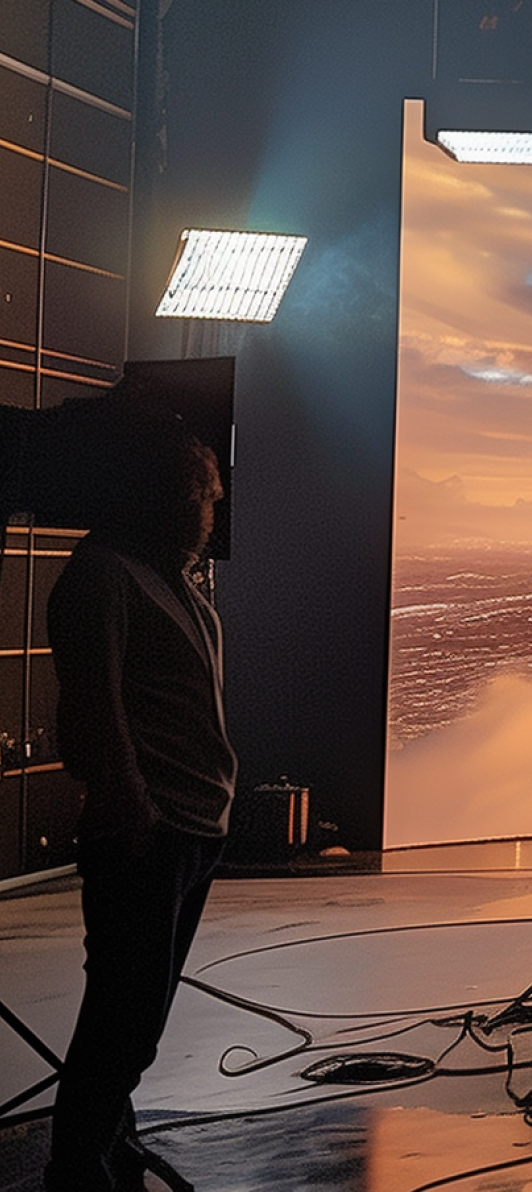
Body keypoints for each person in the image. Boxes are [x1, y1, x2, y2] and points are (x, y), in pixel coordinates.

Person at [44, 414, 235, 1192]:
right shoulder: (106, 574)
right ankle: (77, 1164)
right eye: (200, 493)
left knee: (138, 1013)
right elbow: (96, 706)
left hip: (192, 823)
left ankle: (107, 1141)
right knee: (124, 1017)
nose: (209, 510)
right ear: (164, 493)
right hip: (150, 826)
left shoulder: (170, 578)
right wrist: (131, 804)